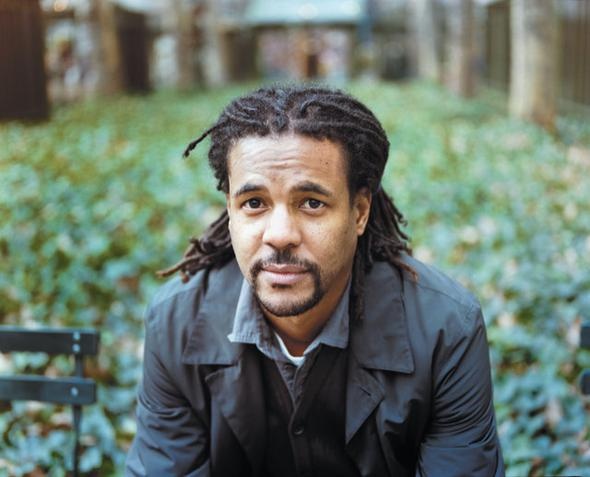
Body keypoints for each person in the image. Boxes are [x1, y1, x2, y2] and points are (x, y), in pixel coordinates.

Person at [125, 85, 504, 476]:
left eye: (311, 203)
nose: (280, 235)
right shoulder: (176, 323)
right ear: (230, 210)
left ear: (359, 212)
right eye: (254, 203)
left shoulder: (445, 328)